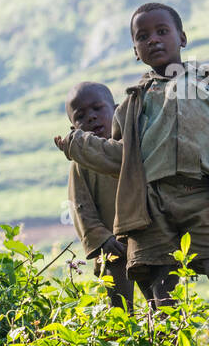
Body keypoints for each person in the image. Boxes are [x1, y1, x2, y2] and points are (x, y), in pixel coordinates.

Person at [53, 2, 209, 346]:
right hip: (151, 205)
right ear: (135, 50)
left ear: (183, 37)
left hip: (201, 197)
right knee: (161, 287)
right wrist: (79, 146)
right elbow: (122, 158)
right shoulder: (131, 103)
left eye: (162, 32)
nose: (154, 40)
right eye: (143, 36)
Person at [64, 81, 158, 312]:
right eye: (81, 115)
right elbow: (80, 207)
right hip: (112, 248)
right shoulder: (81, 163)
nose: (92, 118)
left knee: (160, 302)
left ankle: (166, 343)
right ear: (73, 128)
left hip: (150, 241)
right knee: (120, 308)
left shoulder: (137, 146)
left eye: (97, 109)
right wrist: (104, 240)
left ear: (117, 110)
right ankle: (123, 344)